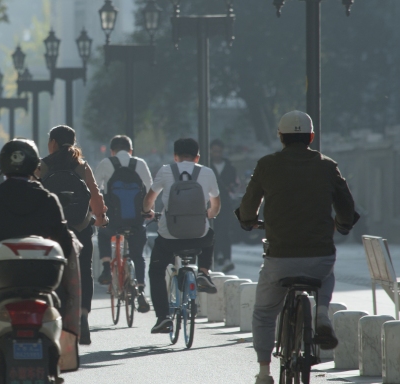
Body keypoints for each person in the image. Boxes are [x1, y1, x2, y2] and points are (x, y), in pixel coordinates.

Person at [237, 111, 358, 384]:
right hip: (319, 257)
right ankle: (322, 313)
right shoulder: (328, 166)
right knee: (326, 274)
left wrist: (248, 221)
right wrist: (342, 225)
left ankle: (265, 371)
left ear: (280, 137)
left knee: (265, 311)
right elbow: (347, 208)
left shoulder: (267, 165)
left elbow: (248, 206)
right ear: (311, 137)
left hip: (280, 259)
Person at [0, 139, 73, 362]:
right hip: (44, 284)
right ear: (35, 166)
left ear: (2, 166)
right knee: (65, 297)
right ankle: (61, 352)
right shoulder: (49, 200)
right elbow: (65, 246)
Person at [142, 138, 221, 334]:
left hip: (169, 238)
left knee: (156, 270)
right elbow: (216, 206)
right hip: (198, 236)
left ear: (175, 156)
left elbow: (149, 200)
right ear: (198, 156)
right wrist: (207, 215)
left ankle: (163, 317)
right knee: (209, 233)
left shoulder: (166, 170)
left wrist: (147, 211)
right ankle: (203, 272)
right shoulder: (207, 172)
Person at [39, 125, 108, 345]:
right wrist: (101, 217)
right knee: (84, 271)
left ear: (53, 143)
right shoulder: (81, 166)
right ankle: (83, 318)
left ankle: (53, 317)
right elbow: (95, 195)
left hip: (51, 230)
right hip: (80, 228)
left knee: (48, 270)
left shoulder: (43, 166)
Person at [94, 135, 152, 312]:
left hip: (112, 220)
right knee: (138, 255)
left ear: (112, 151)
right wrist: (148, 212)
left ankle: (105, 268)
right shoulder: (140, 164)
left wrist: (97, 213)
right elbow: (150, 189)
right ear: (130, 150)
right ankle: (141, 290)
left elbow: (95, 189)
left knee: (103, 233)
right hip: (135, 220)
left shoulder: (105, 163)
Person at [209, 139, 239, 273]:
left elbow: (234, 184)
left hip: (225, 204)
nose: (217, 154)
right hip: (210, 204)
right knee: (212, 231)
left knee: (225, 231)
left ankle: (226, 258)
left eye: (219, 151)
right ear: (210, 151)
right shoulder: (207, 166)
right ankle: (214, 257)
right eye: (214, 151)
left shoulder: (230, 168)